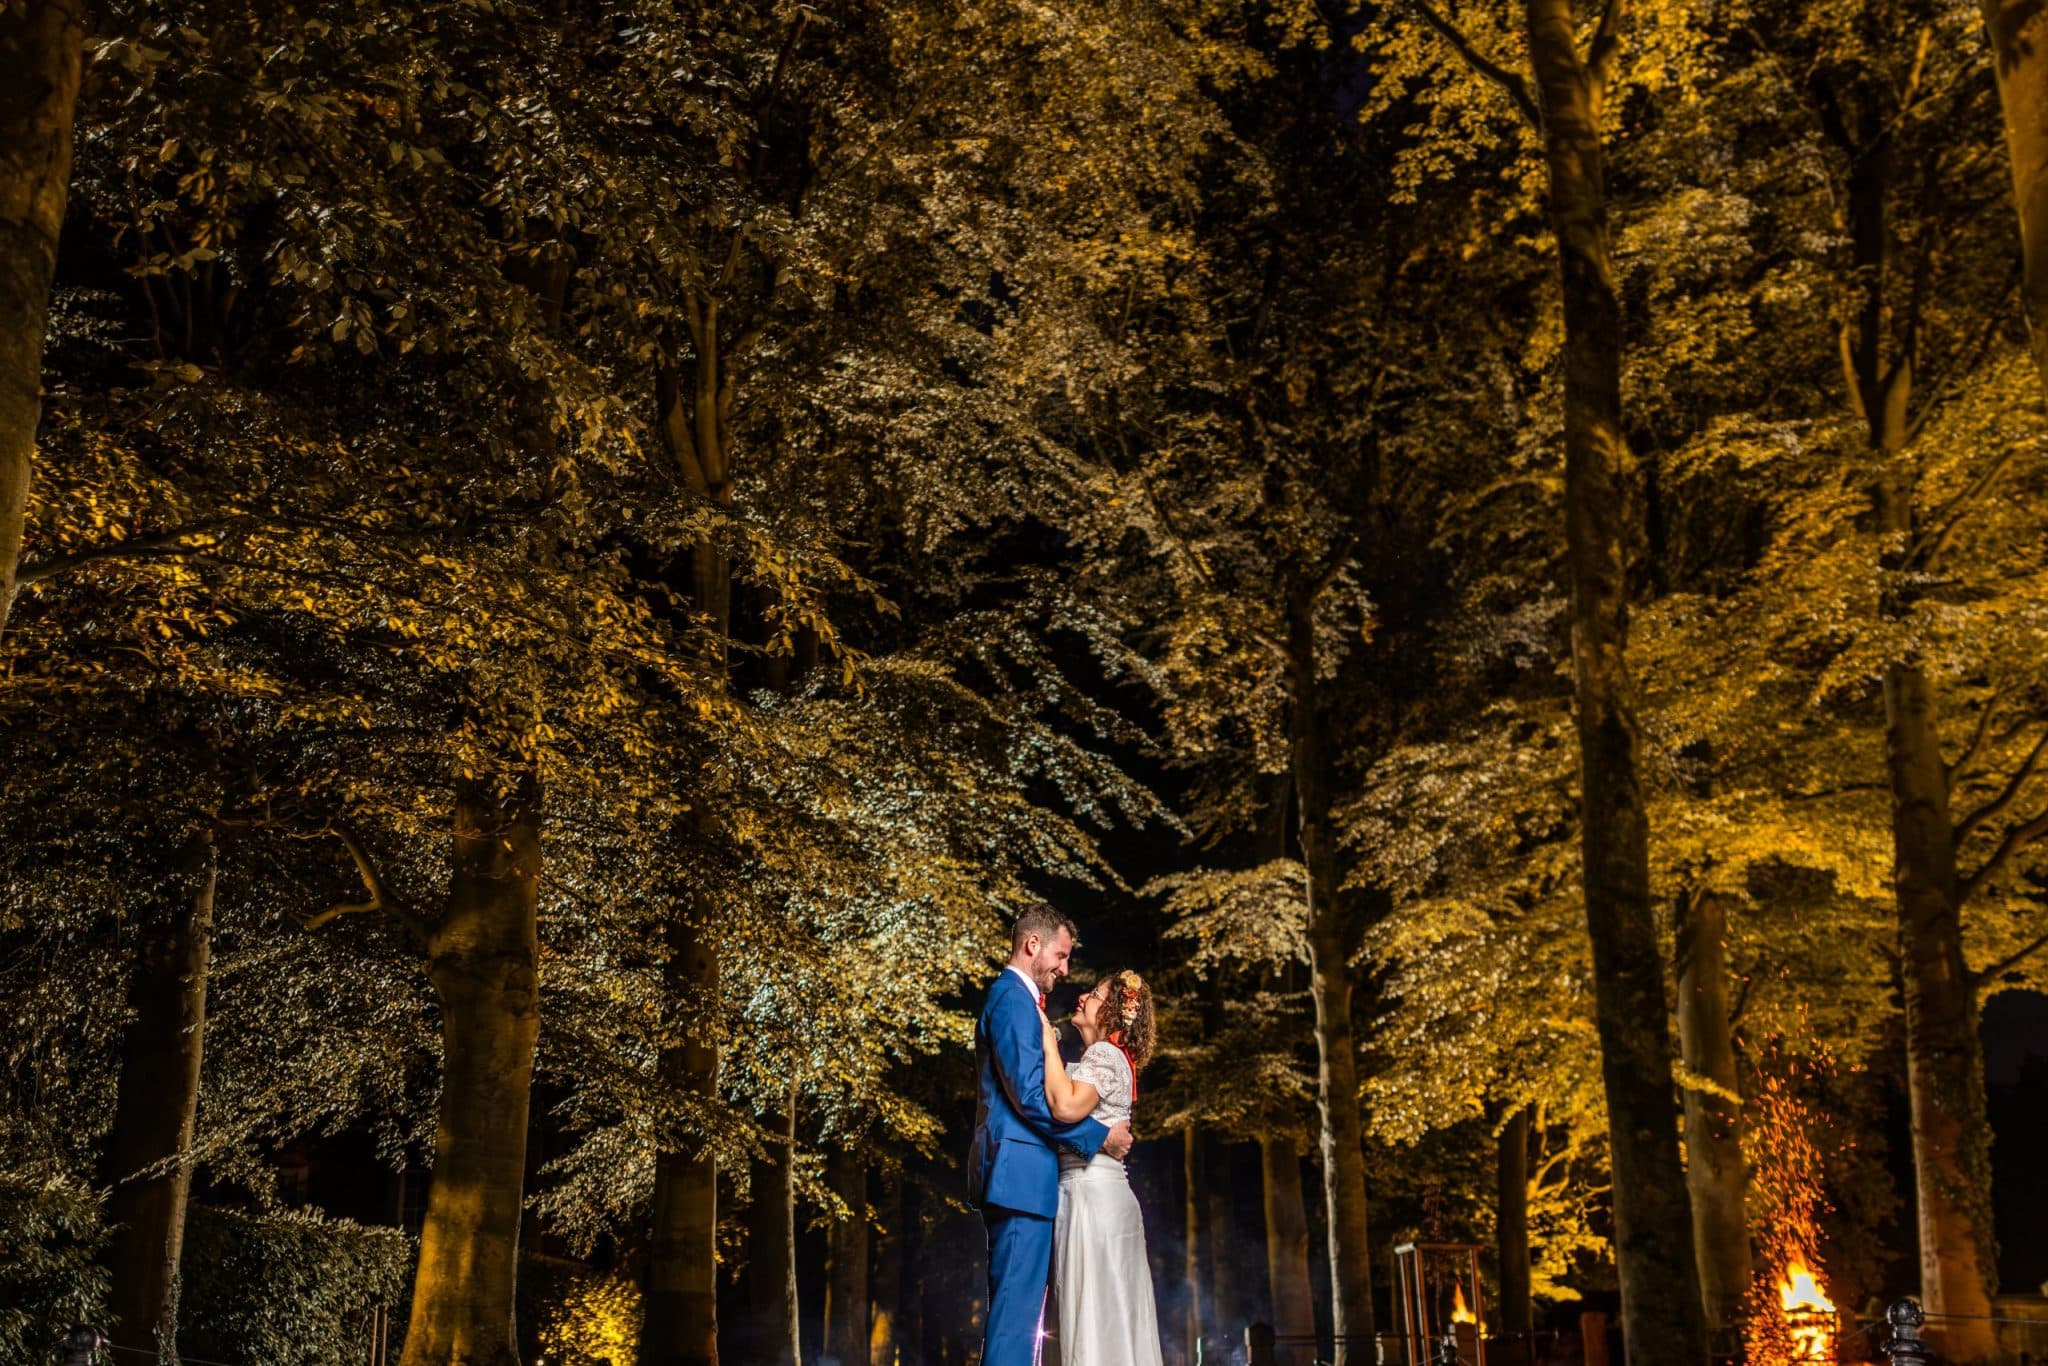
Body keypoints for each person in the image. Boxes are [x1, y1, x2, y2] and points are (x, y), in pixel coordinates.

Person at [971, 905, 1136, 1366]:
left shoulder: (1019, 1002)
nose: (1065, 969)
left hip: (1025, 1180)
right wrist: (1096, 1136)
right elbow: (1027, 1095)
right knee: (1014, 1322)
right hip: (1019, 1179)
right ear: (1032, 945)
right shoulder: (1012, 999)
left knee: (1022, 1321)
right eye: (1061, 956)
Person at [1039, 969, 1163, 1366]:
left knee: (1090, 1311)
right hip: (1098, 1194)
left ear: (1111, 1014)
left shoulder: (1104, 1055)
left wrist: (1046, 1043)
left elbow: (1064, 1108)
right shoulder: (1104, 1058)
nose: (1082, 998)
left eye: (1094, 995)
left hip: (1090, 1197)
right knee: (1106, 1315)